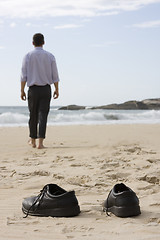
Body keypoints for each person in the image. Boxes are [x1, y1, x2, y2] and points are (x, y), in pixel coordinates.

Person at [20, 33, 60, 149]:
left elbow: (23, 75)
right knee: (43, 115)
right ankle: (40, 143)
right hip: (46, 89)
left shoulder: (27, 56)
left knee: (33, 115)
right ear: (43, 42)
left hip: (33, 89)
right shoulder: (50, 56)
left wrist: (22, 90)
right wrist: (56, 89)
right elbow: (55, 75)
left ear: (33, 43)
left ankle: (32, 141)